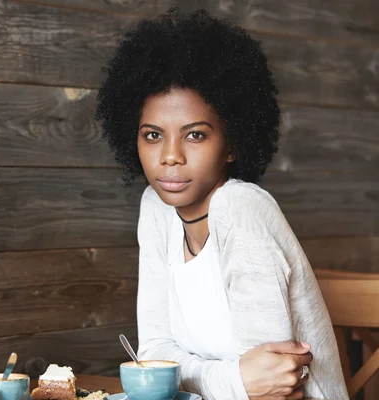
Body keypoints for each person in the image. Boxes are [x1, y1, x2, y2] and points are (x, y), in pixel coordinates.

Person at [96, 9, 348, 400]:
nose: (170, 156)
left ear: (232, 144)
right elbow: (155, 354)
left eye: (195, 135)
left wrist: (200, 377)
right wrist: (231, 381)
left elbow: (273, 383)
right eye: (152, 135)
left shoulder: (241, 207)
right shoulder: (157, 210)